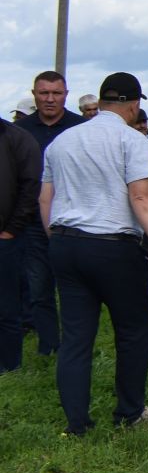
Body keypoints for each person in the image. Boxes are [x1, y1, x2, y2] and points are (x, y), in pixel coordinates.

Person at [38, 72, 148, 435]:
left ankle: (76, 424)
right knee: (133, 329)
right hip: (114, 247)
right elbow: (142, 196)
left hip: (66, 244)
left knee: (76, 337)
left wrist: (56, 238)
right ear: (134, 105)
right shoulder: (132, 140)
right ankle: (130, 414)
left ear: (100, 102)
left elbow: (46, 199)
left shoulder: (62, 142)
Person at [16, 70, 85, 360]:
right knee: (39, 285)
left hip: (74, 219)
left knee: (76, 289)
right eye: (44, 93)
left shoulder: (79, 128)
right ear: (34, 95)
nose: (49, 99)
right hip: (33, 219)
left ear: (66, 95)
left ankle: (76, 344)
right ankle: (49, 347)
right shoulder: (22, 130)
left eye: (56, 93)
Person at [0, 110, 43, 374]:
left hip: (6, 237)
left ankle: (9, 366)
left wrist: (11, 230)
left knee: (6, 306)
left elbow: (30, 187)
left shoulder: (16, 138)